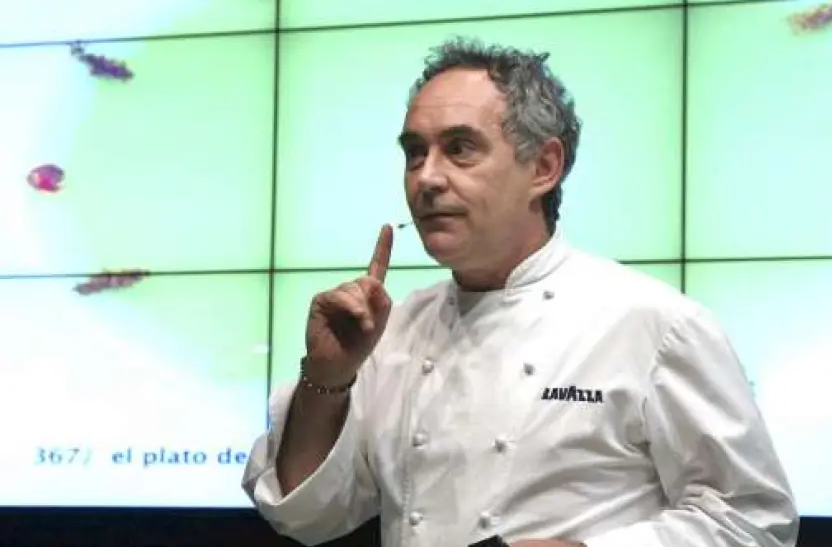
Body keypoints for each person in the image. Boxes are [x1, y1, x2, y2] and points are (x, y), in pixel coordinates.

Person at [242, 37, 800, 547]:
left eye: (460, 148)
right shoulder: (395, 330)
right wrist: (327, 379)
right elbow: (308, 518)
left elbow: (753, 520)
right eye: (414, 152)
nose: (426, 178)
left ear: (544, 167)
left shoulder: (652, 323)